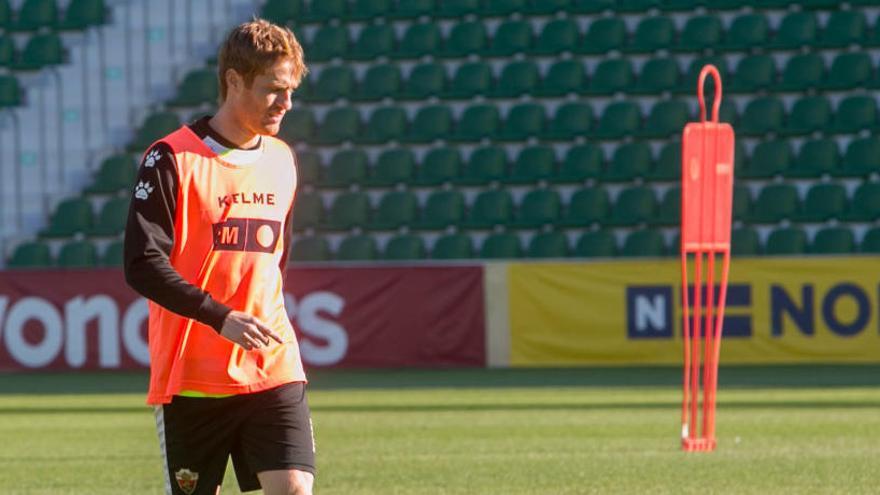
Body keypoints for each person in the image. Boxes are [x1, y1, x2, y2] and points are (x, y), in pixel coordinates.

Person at [123, 19, 314, 495]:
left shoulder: (282, 159)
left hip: (272, 366)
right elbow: (142, 262)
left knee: (293, 487)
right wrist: (219, 315)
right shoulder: (170, 158)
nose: (286, 103)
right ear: (234, 81)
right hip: (193, 377)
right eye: (273, 90)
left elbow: (275, 262)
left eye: (290, 90)